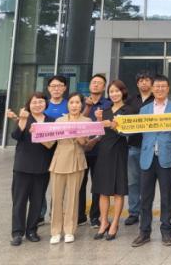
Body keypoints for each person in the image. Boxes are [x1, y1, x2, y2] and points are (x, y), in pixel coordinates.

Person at [131, 75, 171, 248]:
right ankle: (144, 232)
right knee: (145, 197)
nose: (160, 89)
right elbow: (135, 130)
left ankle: (166, 231)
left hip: (166, 157)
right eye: (157, 86)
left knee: (167, 197)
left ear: (168, 89)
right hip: (147, 157)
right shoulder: (144, 109)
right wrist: (119, 126)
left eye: (163, 86)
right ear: (152, 89)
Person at [7, 92, 54, 246]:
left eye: (41, 102)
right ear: (29, 105)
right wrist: (22, 120)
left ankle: (32, 231)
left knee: (37, 201)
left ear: (46, 104)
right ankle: (17, 233)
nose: (38, 105)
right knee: (19, 201)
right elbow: (16, 136)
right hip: (23, 166)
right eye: (34, 102)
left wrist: (40, 134)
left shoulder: (51, 121)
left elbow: (53, 143)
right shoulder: (25, 118)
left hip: (42, 167)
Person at [48, 92, 91, 244]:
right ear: (67, 104)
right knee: (56, 198)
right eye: (71, 102)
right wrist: (36, 134)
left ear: (81, 105)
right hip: (59, 161)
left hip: (77, 161)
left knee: (72, 198)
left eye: (77, 102)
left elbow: (85, 143)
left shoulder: (86, 120)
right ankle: (55, 231)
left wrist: (76, 131)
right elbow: (50, 141)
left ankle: (69, 230)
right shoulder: (59, 120)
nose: (74, 105)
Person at [92, 80, 131, 240]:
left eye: (117, 91)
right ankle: (104, 222)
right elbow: (98, 133)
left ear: (123, 92)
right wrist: (98, 121)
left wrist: (115, 126)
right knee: (103, 190)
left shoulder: (128, 110)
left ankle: (114, 223)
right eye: (111, 91)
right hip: (103, 152)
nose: (114, 94)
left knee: (117, 191)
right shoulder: (105, 110)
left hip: (119, 152)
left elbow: (130, 133)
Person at [80, 74, 111, 227]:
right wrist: (87, 106)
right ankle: (79, 216)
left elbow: (108, 126)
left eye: (99, 83)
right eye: (93, 82)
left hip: (100, 149)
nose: (96, 85)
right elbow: (77, 122)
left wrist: (96, 139)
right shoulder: (80, 102)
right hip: (81, 149)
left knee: (98, 184)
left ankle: (95, 216)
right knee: (80, 183)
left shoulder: (108, 104)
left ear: (104, 87)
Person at [125, 70, 154, 227]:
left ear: (152, 83)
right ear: (137, 84)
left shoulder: (157, 100)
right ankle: (133, 212)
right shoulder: (130, 100)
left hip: (151, 147)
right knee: (133, 181)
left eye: (147, 80)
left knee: (147, 182)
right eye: (141, 80)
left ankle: (145, 211)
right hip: (134, 146)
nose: (144, 83)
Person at [39, 75, 69, 226]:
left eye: (59, 86)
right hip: (44, 148)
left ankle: (55, 214)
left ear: (64, 88)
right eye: (53, 86)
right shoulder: (42, 104)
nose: (56, 89)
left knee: (59, 184)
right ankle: (40, 214)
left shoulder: (69, 104)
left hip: (63, 148)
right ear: (48, 88)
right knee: (41, 182)